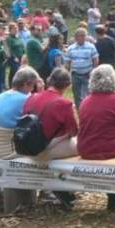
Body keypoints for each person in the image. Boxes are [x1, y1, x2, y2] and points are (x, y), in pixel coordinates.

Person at [76, 65, 115, 211]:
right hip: (110, 150)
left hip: (86, 148)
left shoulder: (85, 101)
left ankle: (114, 199)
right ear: (114, 80)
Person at [23, 68, 81, 209]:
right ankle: (63, 188)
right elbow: (73, 131)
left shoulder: (32, 97)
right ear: (68, 85)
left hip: (28, 148)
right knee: (80, 145)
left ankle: (54, 188)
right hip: (45, 150)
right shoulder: (64, 103)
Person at [0, 66, 39, 159]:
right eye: (33, 85)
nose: (33, 89)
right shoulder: (27, 99)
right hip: (9, 151)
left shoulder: (0, 96)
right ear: (25, 84)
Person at [65, 29, 99, 110]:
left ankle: (88, 108)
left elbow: (95, 59)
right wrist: (67, 73)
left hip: (87, 73)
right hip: (75, 73)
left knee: (87, 92)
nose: (83, 37)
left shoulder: (91, 47)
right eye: (81, 36)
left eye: (84, 36)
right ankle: (78, 108)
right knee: (76, 93)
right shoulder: (70, 48)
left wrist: (93, 70)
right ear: (76, 37)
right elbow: (68, 62)